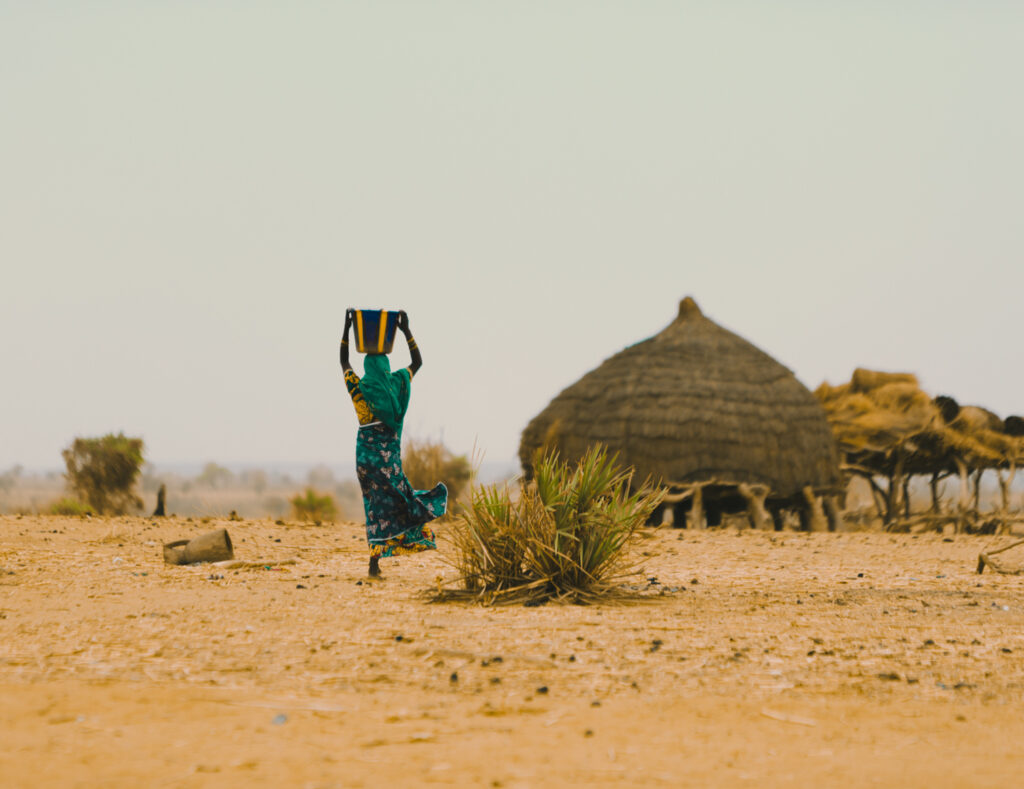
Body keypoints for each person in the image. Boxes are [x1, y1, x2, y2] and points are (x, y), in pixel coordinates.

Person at [340, 309, 447, 578]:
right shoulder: (397, 384)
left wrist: (347, 326)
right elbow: (417, 362)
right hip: (388, 460)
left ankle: (374, 561)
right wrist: (405, 330)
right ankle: (415, 537)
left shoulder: (360, 390)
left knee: (374, 505)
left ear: (367, 368)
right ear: (386, 368)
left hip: (365, 459)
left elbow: (343, 361)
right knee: (401, 498)